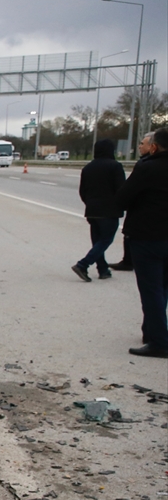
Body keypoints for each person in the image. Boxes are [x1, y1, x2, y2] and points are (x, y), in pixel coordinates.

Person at [114, 127, 168, 358]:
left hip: (148, 236)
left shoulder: (148, 168)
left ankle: (159, 341)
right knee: (162, 287)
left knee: (151, 289)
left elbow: (123, 198)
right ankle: (153, 331)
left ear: (154, 147)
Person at [71, 139, 126, 281]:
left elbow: (82, 190)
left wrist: (89, 202)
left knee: (97, 242)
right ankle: (83, 264)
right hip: (109, 210)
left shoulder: (88, 168)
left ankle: (103, 269)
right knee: (105, 240)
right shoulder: (115, 166)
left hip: (92, 209)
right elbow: (121, 189)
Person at [111, 132, 156, 271]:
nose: (139, 146)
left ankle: (129, 261)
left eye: (143, 144)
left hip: (144, 216)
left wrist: (123, 203)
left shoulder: (145, 165)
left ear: (152, 146)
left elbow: (128, 191)